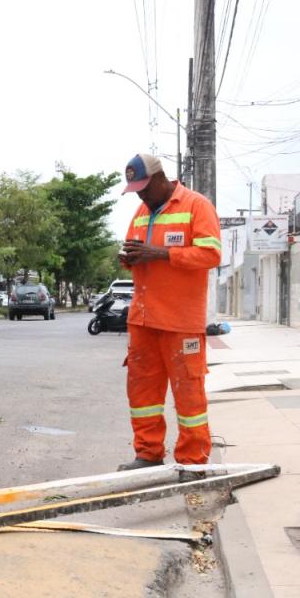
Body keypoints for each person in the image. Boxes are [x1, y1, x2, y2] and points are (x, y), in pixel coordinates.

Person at [116, 153, 222, 479]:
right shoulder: (140, 211)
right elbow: (136, 254)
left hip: (180, 322)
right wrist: (129, 258)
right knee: (142, 393)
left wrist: (160, 254)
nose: (141, 195)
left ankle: (192, 461)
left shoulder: (195, 206)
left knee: (188, 395)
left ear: (162, 178)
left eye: (145, 188)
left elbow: (211, 253)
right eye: (136, 189)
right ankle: (147, 454)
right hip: (144, 319)